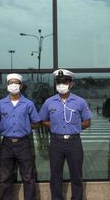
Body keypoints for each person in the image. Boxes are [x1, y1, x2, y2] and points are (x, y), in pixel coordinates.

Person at [39, 69, 91, 200]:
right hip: (56, 142)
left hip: (74, 142)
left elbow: (87, 122)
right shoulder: (49, 102)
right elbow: (43, 120)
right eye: (58, 82)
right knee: (55, 176)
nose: (61, 85)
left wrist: (73, 128)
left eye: (65, 82)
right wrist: (55, 127)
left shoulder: (80, 101)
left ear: (71, 83)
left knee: (76, 175)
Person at [0, 73, 41, 200]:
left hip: (23, 143)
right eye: (10, 83)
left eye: (16, 83)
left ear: (21, 85)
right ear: (7, 86)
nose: (13, 85)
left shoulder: (28, 104)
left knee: (28, 177)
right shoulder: (0, 104)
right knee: (5, 177)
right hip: (6, 143)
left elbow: (36, 122)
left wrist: (26, 127)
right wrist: (2, 126)